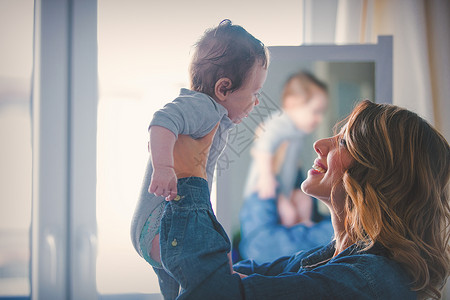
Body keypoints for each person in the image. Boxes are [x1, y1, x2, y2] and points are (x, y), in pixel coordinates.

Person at [157, 100, 450, 299]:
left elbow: (216, 292)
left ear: (379, 174)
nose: (320, 143)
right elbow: (227, 279)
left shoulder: (365, 283)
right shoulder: (329, 257)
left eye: (345, 141)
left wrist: (190, 177)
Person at [130, 19, 269, 299]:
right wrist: (164, 168)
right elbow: (161, 121)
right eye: (254, 94)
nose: (256, 103)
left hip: (156, 228)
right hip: (162, 221)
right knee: (213, 251)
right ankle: (225, 279)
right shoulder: (202, 106)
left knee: (182, 289)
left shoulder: (209, 112)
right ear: (223, 89)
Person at [239, 72, 333, 263]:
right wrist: (266, 178)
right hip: (264, 191)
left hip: (281, 188)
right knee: (287, 216)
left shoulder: (296, 132)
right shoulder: (280, 122)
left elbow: (291, 166)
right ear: (292, 103)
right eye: (315, 111)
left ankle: (302, 227)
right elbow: (262, 146)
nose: (319, 119)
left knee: (302, 202)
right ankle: (301, 229)